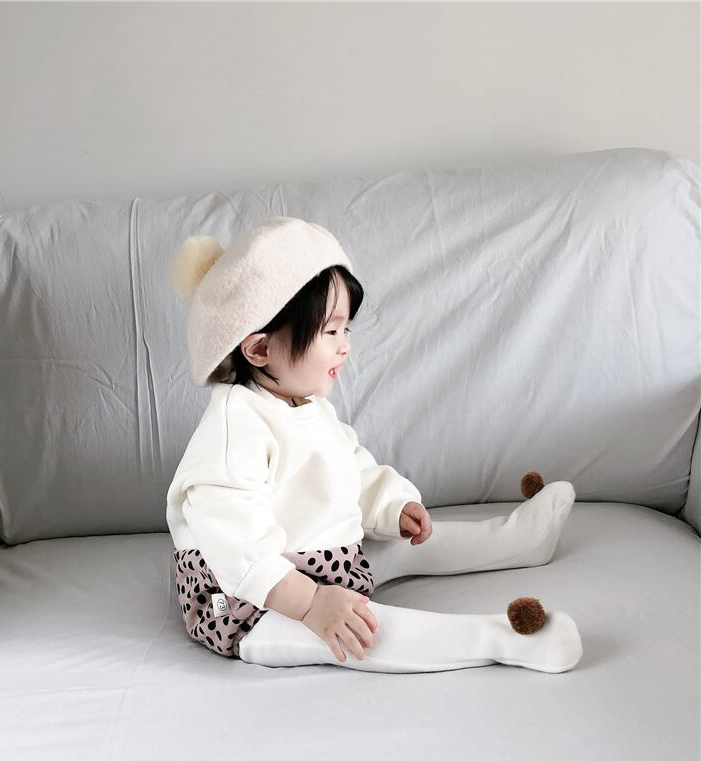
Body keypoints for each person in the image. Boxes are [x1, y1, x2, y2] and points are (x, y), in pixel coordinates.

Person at [166, 217, 582, 674]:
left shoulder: (305, 404)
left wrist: (391, 505)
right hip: (249, 598)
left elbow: (350, 467)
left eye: (346, 329)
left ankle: (519, 541)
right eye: (330, 331)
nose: (345, 346)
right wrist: (311, 603)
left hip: (323, 561)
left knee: (409, 544)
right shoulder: (235, 426)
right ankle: (509, 640)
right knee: (360, 632)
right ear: (259, 350)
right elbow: (235, 542)